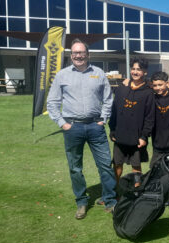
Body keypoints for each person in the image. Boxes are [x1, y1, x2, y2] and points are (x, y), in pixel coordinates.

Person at [47, 38, 117, 219]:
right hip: (73, 128)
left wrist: (103, 119)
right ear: (71, 55)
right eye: (75, 52)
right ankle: (82, 202)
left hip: (95, 126)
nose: (78, 55)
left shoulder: (99, 73)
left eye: (81, 52)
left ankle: (110, 200)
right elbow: (52, 102)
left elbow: (108, 99)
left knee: (105, 165)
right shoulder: (62, 75)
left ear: (88, 54)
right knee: (75, 168)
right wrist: (63, 123)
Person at [109, 58, 155, 188]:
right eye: (133, 69)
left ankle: (136, 193)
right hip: (120, 134)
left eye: (139, 69)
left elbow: (149, 117)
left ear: (145, 72)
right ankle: (116, 192)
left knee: (136, 166)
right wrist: (112, 129)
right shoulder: (122, 88)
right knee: (117, 164)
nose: (135, 72)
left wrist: (144, 136)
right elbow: (114, 110)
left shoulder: (148, 92)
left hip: (137, 137)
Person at [149, 71, 169, 168]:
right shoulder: (152, 98)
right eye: (155, 85)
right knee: (155, 171)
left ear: (167, 83)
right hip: (158, 145)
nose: (158, 88)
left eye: (160, 84)